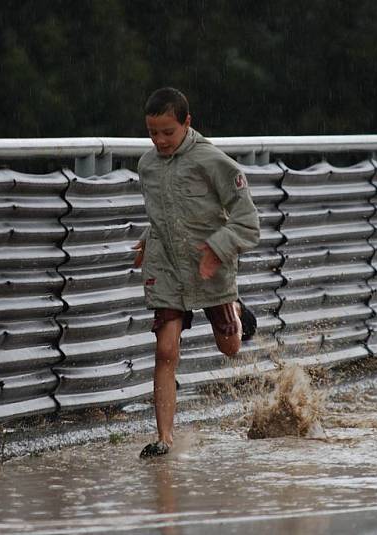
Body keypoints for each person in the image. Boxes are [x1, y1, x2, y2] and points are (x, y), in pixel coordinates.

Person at [134, 87, 260, 458]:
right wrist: (146, 239)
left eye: (167, 132)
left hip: (210, 269)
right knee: (165, 350)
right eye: (152, 133)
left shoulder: (212, 161)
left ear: (187, 124)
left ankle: (234, 310)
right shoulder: (147, 165)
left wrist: (218, 250)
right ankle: (164, 439)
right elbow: (163, 215)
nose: (159, 140)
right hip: (167, 267)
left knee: (229, 348)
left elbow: (248, 221)